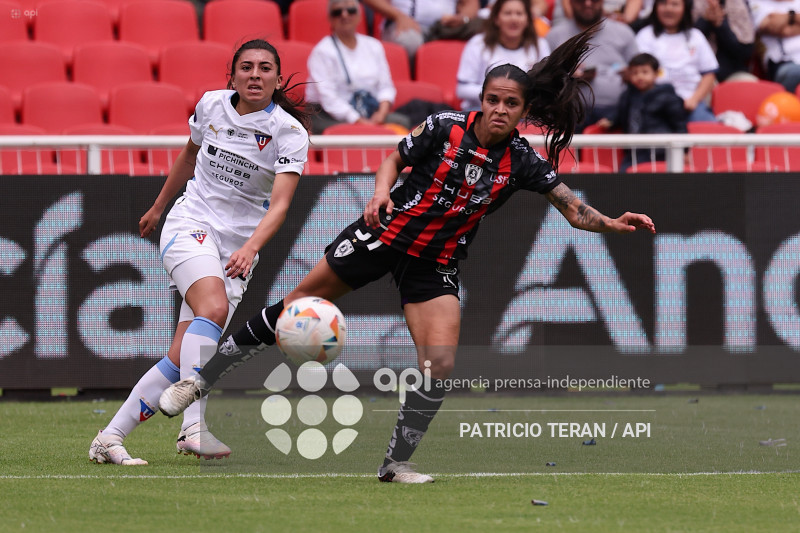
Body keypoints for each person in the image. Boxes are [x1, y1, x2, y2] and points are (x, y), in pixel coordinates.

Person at [159, 24, 656, 483]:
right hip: (385, 233)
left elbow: (572, 209)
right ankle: (198, 383)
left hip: (435, 261)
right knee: (293, 306)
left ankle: (395, 463)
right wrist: (379, 194)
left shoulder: (522, 160)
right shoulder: (444, 127)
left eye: (511, 103)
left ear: (523, 111)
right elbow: (394, 157)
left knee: (438, 364)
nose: (501, 109)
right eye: (493, 100)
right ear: (480, 100)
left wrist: (611, 222)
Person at [88, 39, 310, 465]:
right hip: (191, 224)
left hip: (238, 247)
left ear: (278, 80)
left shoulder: (289, 132)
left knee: (179, 359)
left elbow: (280, 203)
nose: (255, 74)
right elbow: (189, 155)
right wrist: (158, 206)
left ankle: (109, 438)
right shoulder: (210, 105)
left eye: (265, 68)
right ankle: (194, 427)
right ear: (232, 75)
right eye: (246, 67)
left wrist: (250, 246)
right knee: (210, 308)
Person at [306, 0, 412, 134]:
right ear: (330, 19)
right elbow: (329, 98)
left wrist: (381, 114)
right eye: (337, 12)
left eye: (351, 11)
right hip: (329, 114)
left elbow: (386, 87)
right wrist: (360, 122)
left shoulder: (374, 46)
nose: (345, 15)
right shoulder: (322, 51)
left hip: (368, 110)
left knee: (402, 122)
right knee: (349, 132)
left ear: (359, 15)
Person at [547, 0, 640, 130]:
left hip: (617, 112)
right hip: (569, 112)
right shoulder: (555, 36)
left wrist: (629, 74)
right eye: (581, 1)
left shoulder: (624, 33)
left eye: (594, 0)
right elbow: (544, 79)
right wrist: (566, 75)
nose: (588, 4)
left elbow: (640, 71)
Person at [596, 52, 688, 169]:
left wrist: (684, 150)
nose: (639, 76)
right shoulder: (627, 96)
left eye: (645, 72)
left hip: (661, 151)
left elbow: (679, 125)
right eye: (635, 73)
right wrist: (611, 121)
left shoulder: (668, 97)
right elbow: (621, 114)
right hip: (634, 151)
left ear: (656, 74)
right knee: (624, 180)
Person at [456, 0, 551, 110]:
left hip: (525, 113)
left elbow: (546, 86)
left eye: (519, 14)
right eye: (507, 13)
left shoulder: (540, 45)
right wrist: (499, 93)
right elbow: (462, 89)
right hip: (481, 110)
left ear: (528, 19)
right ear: (496, 19)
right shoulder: (477, 43)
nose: (514, 19)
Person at [635, 0, 719, 122]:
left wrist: (694, 100)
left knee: (711, 132)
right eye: (663, 3)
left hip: (691, 104)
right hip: (655, 104)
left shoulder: (696, 36)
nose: (668, 9)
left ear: (685, 9)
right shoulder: (645, 36)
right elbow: (638, 73)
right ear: (655, 8)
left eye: (674, 4)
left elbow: (709, 74)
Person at [361, 0, 481, 58]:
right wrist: (397, 16)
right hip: (405, 24)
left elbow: (470, 4)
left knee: (483, 35)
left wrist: (462, 18)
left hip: (446, 28)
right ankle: (414, 88)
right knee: (409, 42)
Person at [692, 0, 756, 82]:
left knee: (749, 84)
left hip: (734, 72)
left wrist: (720, 25)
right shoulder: (691, 4)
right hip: (699, 73)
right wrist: (705, 20)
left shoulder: (739, 5)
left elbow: (746, 52)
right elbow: (686, 44)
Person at [750, 0, 800, 92]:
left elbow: (784, 29)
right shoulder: (757, 2)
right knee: (796, 73)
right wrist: (793, 15)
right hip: (784, 63)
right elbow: (775, 27)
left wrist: (788, 19)